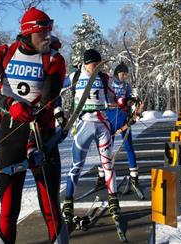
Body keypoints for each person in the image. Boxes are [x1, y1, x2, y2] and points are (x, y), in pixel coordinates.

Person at [0, 7, 68, 244]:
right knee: (7, 210)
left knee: (50, 208)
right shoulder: (4, 53)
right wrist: (8, 103)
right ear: (28, 33)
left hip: (41, 138)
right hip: (10, 138)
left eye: (50, 30)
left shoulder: (54, 59)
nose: (48, 36)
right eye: (42, 31)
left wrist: (32, 144)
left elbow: (46, 102)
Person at [62, 49, 122, 225]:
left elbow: (116, 96)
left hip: (102, 126)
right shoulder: (74, 77)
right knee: (76, 166)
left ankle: (113, 199)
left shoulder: (104, 78)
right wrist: (57, 112)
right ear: (85, 63)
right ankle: (68, 201)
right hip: (82, 126)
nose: (95, 68)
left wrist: (126, 102)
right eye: (93, 64)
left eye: (98, 64)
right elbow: (55, 91)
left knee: (108, 164)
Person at [106, 62, 140, 187]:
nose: (124, 76)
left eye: (125, 74)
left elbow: (129, 98)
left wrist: (131, 102)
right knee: (107, 148)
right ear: (117, 73)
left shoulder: (126, 85)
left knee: (128, 146)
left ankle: (134, 176)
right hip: (110, 117)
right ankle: (102, 176)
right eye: (122, 74)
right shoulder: (109, 83)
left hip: (123, 118)